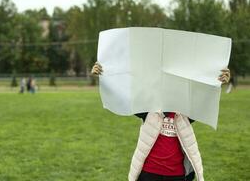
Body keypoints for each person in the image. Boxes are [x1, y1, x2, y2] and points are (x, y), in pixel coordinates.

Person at [91, 62, 230, 181]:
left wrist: (218, 82)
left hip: (177, 175)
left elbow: (205, 101)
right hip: (149, 173)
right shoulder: (148, 110)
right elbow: (123, 97)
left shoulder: (185, 114)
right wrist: (104, 76)